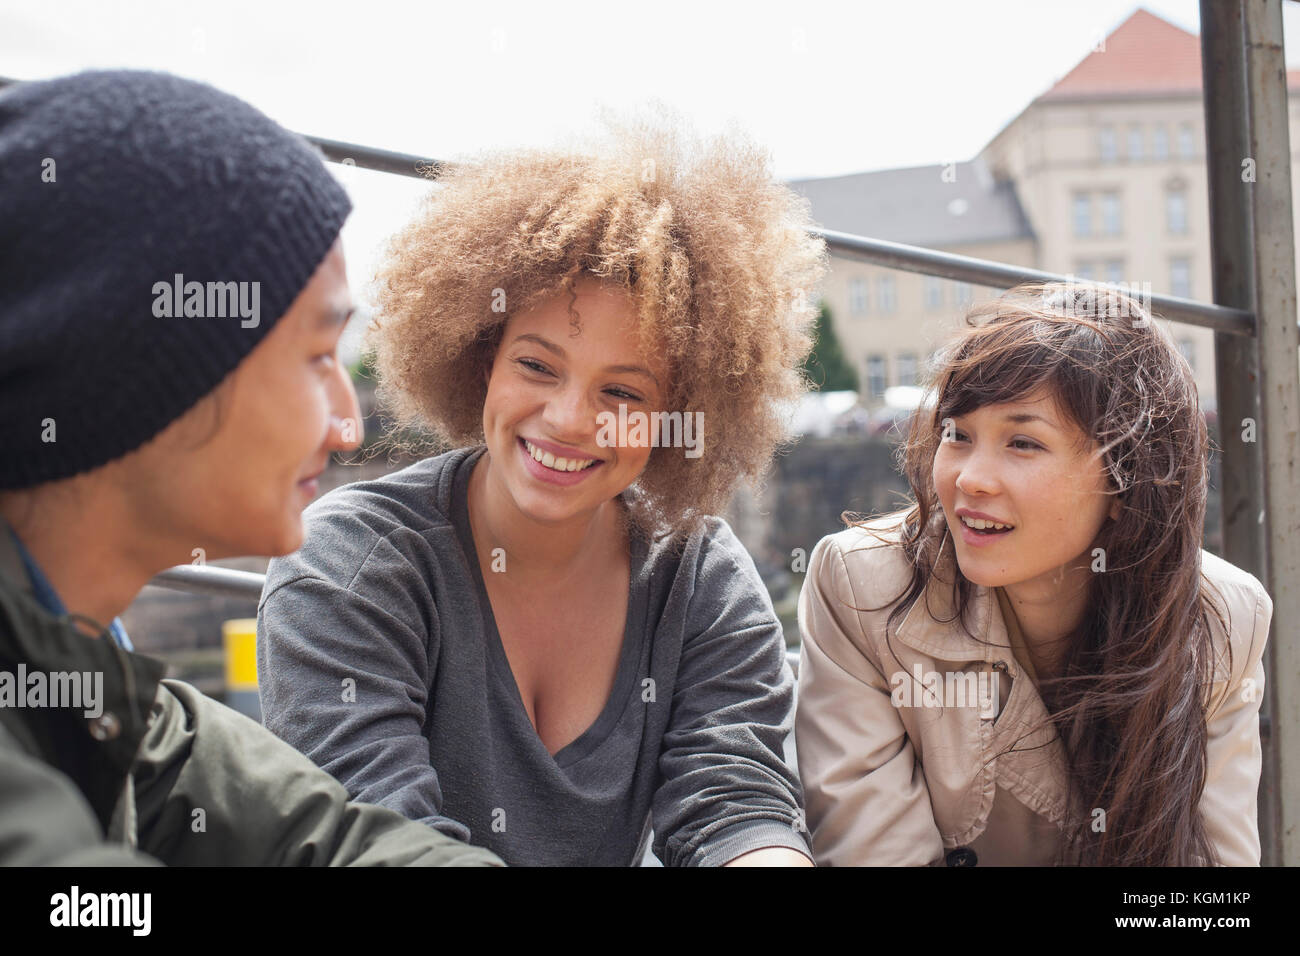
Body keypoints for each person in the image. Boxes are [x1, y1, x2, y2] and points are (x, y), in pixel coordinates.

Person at [256, 118, 826, 866]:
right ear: (481, 358)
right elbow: (381, 840)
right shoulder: (351, 565)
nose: (568, 420)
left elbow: (735, 806)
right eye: (536, 365)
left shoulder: (700, 577)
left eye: (622, 391)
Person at [0, 69, 502, 866]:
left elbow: (325, 836)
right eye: (314, 358)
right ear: (140, 373)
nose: (346, 426)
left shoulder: (87, 684)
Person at [795, 282, 1273, 866]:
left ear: (1126, 481)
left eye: (1023, 442)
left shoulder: (1224, 617)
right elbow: (874, 854)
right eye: (958, 435)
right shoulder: (863, 586)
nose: (971, 478)